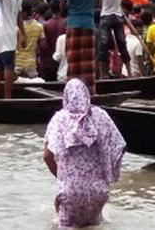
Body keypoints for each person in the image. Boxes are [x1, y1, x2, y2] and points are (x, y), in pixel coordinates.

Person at [43, 79, 125, 228]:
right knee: (94, 225)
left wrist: (62, 177)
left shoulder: (59, 119)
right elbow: (119, 146)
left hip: (70, 191)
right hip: (99, 190)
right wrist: (109, 175)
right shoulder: (101, 115)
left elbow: (47, 156)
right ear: (87, 95)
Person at [62, 0, 96, 91]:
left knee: (73, 60)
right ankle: (89, 90)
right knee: (87, 60)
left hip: (73, 24)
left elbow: (62, 7)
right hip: (88, 24)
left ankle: (73, 90)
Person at [15, 1, 45, 79]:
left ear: (24, 13)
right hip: (31, 64)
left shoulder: (15, 27)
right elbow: (43, 45)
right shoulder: (39, 26)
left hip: (16, 63)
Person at [41, 0, 67, 81]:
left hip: (48, 62)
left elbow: (43, 44)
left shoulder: (46, 25)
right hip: (63, 61)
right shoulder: (66, 23)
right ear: (61, 9)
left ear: (50, 9)